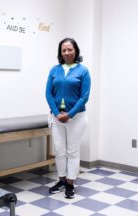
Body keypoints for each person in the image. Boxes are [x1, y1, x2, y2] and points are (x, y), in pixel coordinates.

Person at [45, 38, 91, 199]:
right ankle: (62, 180)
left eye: (69, 49)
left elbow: (84, 96)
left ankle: (70, 183)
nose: (66, 53)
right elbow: (48, 93)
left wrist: (69, 115)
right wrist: (57, 113)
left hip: (76, 118)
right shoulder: (54, 70)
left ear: (76, 51)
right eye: (63, 50)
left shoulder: (83, 71)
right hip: (56, 117)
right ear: (60, 53)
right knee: (59, 151)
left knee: (72, 151)